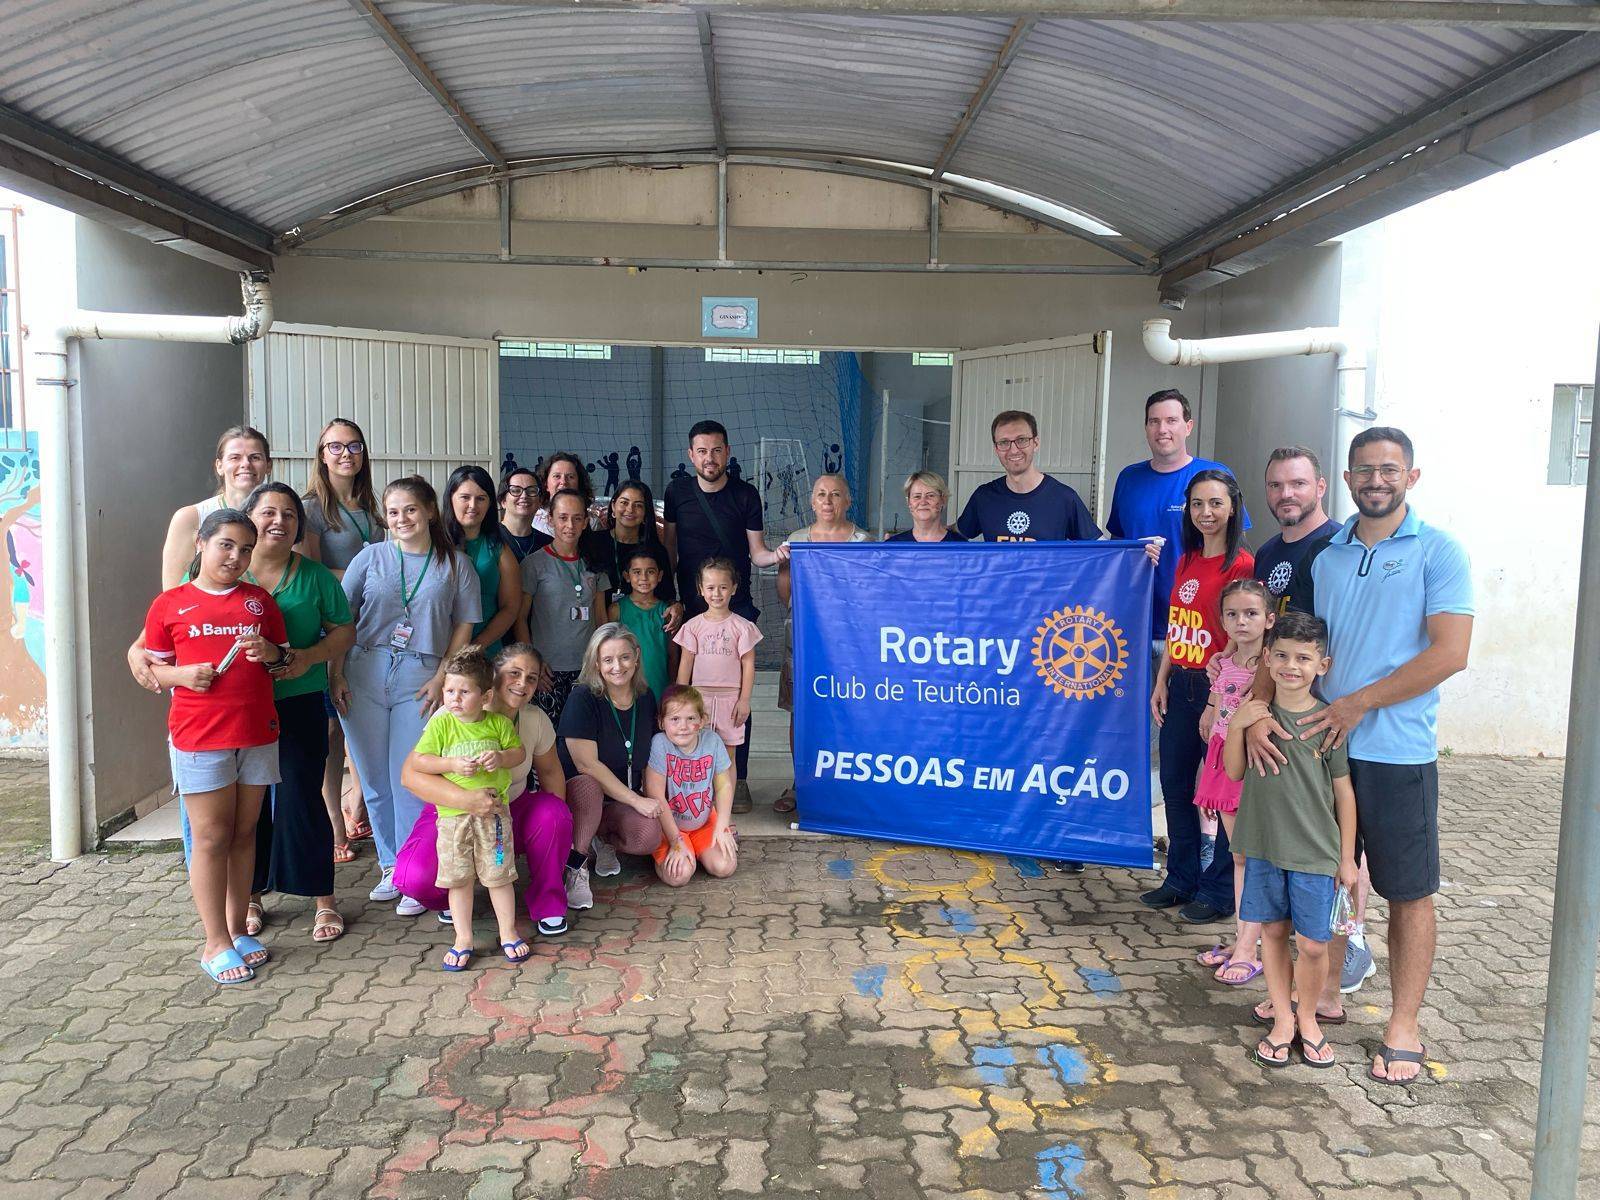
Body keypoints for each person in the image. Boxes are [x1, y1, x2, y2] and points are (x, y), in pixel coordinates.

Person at [1249, 426, 1472, 1085]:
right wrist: (1254, 711)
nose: (1376, 479)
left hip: (1396, 753)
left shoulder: (1439, 551)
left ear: (1412, 476)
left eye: (1389, 469)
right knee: (1331, 875)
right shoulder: (1329, 556)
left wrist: (1357, 703)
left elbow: (1449, 653)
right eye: (1364, 470)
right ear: (1346, 480)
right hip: (1318, 748)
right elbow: (1287, 640)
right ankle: (1324, 996)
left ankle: (1403, 1025)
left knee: (1408, 891)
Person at [143, 508, 288, 984]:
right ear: (201, 544)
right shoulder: (170, 604)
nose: (236, 556)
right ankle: (214, 943)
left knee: (244, 835)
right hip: (200, 735)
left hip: (257, 731)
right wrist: (182, 675)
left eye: (246, 548)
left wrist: (272, 654)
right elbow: (152, 669)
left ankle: (235, 929)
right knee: (209, 837)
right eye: (226, 544)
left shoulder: (259, 602)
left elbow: (282, 661)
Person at [339, 476, 482, 913]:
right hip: (363, 667)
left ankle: (413, 871)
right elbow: (342, 620)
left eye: (411, 510)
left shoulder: (455, 564)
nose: (402, 519)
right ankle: (389, 866)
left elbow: (465, 625)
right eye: (394, 511)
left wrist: (443, 675)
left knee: (412, 780)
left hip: (420, 676)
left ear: (430, 512)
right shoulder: (369, 558)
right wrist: (334, 674)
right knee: (374, 779)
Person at [1225, 612, 1359, 1070]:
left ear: (1323, 664)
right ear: (1267, 658)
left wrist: (1347, 858)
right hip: (1263, 845)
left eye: (1303, 658)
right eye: (1281, 655)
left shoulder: (1328, 722)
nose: (1290, 666)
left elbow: (1344, 792)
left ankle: (1309, 1017)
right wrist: (1238, 724)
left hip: (1316, 852)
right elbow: (1234, 771)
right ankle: (1282, 1019)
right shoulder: (1256, 714)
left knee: (1315, 943)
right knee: (1274, 933)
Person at [236, 484, 355, 944]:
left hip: (299, 700)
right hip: (239, 707)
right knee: (248, 803)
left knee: (301, 797)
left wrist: (310, 657)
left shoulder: (315, 577)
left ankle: (323, 899)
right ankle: (250, 896)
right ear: (249, 518)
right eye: (268, 512)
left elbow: (344, 630)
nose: (280, 522)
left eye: (289, 514)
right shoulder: (229, 571)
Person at [395, 643, 574, 937]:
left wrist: (554, 845)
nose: (522, 683)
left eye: (531, 678)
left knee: (554, 813)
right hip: (452, 812)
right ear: (493, 677)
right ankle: (455, 893)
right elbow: (409, 775)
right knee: (412, 877)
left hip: (505, 811)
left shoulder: (534, 719)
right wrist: (466, 799)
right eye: (514, 673)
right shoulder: (452, 714)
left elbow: (552, 773)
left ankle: (547, 900)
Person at [1145, 469, 1255, 923]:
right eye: (1197, 504)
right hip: (1180, 683)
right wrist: (1161, 680)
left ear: (1233, 508)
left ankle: (1219, 890)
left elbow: (1240, 634)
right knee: (1174, 784)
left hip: (1218, 693)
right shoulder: (1187, 558)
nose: (1206, 513)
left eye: (1215, 503)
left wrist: (1216, 698)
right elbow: (1177, 627)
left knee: (1220, 795)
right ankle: (1181, 877)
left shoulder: (1243, 565)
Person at [663, 420, 786, 812]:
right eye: (701, 451)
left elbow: (758, 553)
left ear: (727, 452)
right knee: (690, 695)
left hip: (737, 605)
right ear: (690, 455)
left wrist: (782, 554)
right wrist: (676, 599)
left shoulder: (746, 495)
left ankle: (740, 778)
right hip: (693, 606)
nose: (709, 458)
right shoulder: (677, 492)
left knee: (736, 699)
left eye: (716, 450)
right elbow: (669, 553)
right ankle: (692, 775)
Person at [406, 646, 529, 971]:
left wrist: (500, 758)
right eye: (449, 691)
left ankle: (508, 932)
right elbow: (419, 761)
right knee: (458, 879)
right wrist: (451, 764)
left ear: (486, 695)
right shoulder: (442, 725)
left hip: (495, 820)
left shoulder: (498, 724)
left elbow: (518, 753)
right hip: (452, 822)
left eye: (464, 691)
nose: (454, 699)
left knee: (499, 875)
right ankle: (463, 938)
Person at [301, 418, 384, 863]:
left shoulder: (372, 506)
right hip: (333, 629)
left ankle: (358, 805)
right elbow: (311, 570)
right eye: (335, 447)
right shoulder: (312, 508)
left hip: (372, 628)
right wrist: (367, 577)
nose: (345, 454)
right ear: (321, 454)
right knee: (333, 730)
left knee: (362, 724)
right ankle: (334, 823)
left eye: (354, 446)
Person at [1107, 390, 1251, 643]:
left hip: (1197, 630)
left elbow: (1237, 546)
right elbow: (1116, 545)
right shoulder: (1128, 478)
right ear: (1146, 427)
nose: (1162, 429)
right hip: (1135, 625)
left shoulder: (1213, 475)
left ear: (1188, 426)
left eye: (1171, 420)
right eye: (1154, 421)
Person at [774, 473, 870, 813]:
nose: (828, 501)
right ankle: (802, 783)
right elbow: (786, 594)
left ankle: (844, 784)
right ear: (812, 502)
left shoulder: (863, 541)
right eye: (821, 494)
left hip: (848, 645)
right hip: (802, 639)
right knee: (801, 712)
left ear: (848, 501)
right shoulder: (797, 539)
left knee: (847, 709)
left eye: (835, 494)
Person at [1192, 578, 1272, 986]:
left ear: (1269, 619)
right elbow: (1220, 709)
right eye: (1233, 614)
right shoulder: (1222, 663)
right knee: (1238, 855)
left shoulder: (1272, 666)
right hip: (1222, 761)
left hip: (1252, 767)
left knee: (1253, 856)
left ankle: (1249, 946)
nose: (1242, 621)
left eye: (1251, 613)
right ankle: (1244, 938)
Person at [558, 625, 666, 910]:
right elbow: (586, 764)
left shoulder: (645, 697)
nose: (617, 666)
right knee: (589, 785)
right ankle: (577, 865)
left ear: (637, 657)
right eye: (608, 660)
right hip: (580, 798)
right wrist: (636, 800)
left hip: (618, 799)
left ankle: (601, 838)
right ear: (596, 663)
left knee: (648, 837)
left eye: (625, 657)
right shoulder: (583, 698)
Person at [675, 559, 762, 810]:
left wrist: (744, 700)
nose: (717, 593)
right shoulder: (693, 626)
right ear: (700, 589)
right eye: (710, 587)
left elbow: (748, 665)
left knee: (727, 757)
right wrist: (682, 701)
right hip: (699, 699)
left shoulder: (743, 627)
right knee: (696, 753)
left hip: (730, 701)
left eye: (723, 587)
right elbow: (686, 664)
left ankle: (724, 810)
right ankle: (698, 808)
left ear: (734, 588)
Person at [518, 488, 605, 724]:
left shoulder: (594, 564)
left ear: (586, 522)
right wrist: (533, 662)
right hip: (548, 671)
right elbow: (520, 618)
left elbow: (601, 618)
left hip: (587, 670)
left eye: (577, 518)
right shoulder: (534, 564)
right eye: (563, 517)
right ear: (550, 520)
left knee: (583, 741)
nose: (570, 525)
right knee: (548, 742)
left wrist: (601, 661)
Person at [954, 410, 1100, 543]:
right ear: (996, 449)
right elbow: (955, 534)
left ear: (1035, 443)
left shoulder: (1064, 498)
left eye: (1021, 440)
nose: (1013, 450)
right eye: (1004, 442)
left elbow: (1102, 549)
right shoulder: (984, 497)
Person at [645, 685, 738, 886]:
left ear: (702, 720)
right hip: (670, 826)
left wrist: (722, 826)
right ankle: (676, 852)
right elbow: (656, 795)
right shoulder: (660, 744)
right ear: (662, 723)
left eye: (691, 719)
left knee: (724, 867)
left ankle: (697, 849)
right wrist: (675, 841)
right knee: (679, 876)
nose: (683, 726)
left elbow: (724, 786)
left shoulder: (712, 741)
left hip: (703, 822)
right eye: (675, 719)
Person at [158, 426, 272, 590]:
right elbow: (172, 595)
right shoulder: (191, 518)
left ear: (268, 465)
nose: (245, 464)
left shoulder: (281, 519)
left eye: (255, 457)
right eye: (235, 457)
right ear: (219, 466)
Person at [582, 479, 683, 631]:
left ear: (645, 514)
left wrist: (676, 607)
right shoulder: (593, 544)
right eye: (624, 502)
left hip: (644, 630)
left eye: (638, 505)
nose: (630, 509)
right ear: (613, 507)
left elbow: (667, 596)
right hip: (599, 628)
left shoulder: (655, 551)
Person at [444, 464, 522, 658]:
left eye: (481, 498)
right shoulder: (433, 544)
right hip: (437, 649)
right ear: (450, 498)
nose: (473, 505)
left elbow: (510, 608)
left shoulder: (499, 548)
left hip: (482, 654)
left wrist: (476, 646)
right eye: (465, 497)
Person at [1254, 445, 1341, 615]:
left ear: (1320, 488)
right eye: (1275, 485)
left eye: (1298, 483)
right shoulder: (1265, 553)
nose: (1286, 494)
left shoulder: (1341, 546)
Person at [608, 546, 675, 701]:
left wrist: (672, 686)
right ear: (627, 576)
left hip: (659, 685)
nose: (644, 577)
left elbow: (672, 655)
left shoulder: (667, 612)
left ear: (659, 576)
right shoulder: (616, 610)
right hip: (625, 686)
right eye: (637, 572)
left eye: (650, 572)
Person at [886, 471, 966, 543]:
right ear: (909, 502)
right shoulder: (893, 546)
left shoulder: (960, 545)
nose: (923, 502)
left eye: (930, 495)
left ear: (943, 500)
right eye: (917, 496)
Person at [498, 465, 551, 562]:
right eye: (515, 490)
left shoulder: (549, 544)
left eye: (531, 491)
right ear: (503, 501)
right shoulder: (490, 538)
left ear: (540, 501)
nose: (524, 496)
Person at [532, 452, 592, 537]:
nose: (563, 482)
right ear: (545, 484)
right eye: (557, 476)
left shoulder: (593, 520)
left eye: (570, 477)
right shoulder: (532, 520)